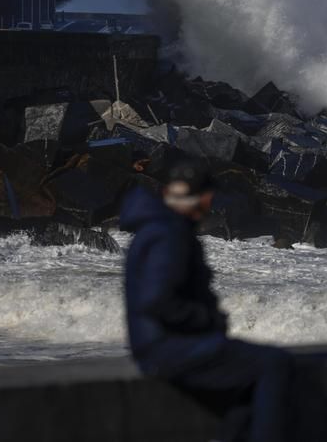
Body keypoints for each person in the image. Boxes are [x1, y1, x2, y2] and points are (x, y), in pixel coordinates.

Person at [122, 160, 293, 442]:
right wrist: (208, 319)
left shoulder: (159, 227)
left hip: (158, 344)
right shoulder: (169, 234)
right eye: (208, 198)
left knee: (246, 386)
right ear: (202, 199)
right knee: (273, 364)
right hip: (165, 348)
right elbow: (158, 301)